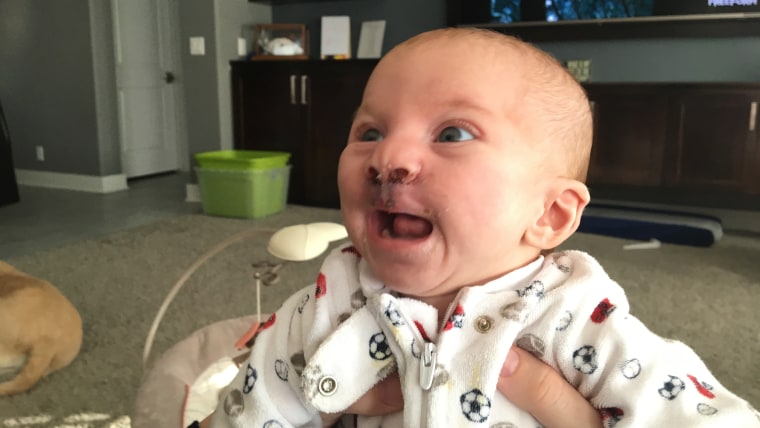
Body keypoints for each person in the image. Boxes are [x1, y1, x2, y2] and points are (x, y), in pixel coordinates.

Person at [205, 28, 760, 427]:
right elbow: (245, 411)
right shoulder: (324, 308)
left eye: (451, 134)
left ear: (549, 215)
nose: (387, 157)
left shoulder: (580, 319)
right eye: (370, 131)